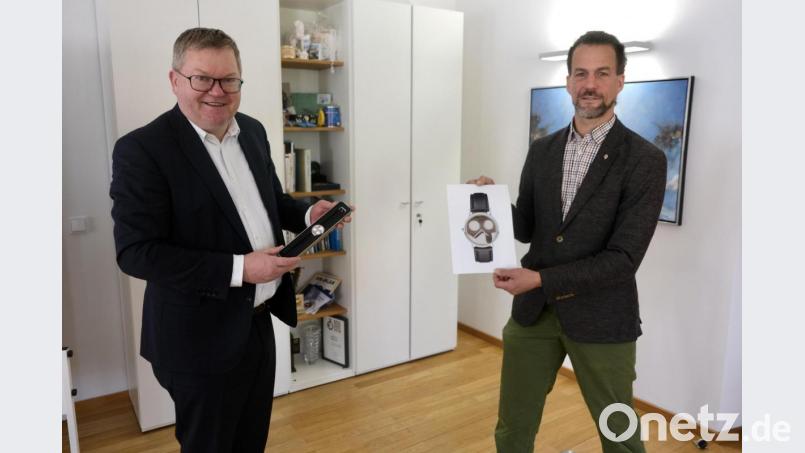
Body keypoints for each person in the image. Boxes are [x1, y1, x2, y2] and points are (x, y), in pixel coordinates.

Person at [110, 27, 351, 452]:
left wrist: (308, 212)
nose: (217, 92)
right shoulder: (143, 150)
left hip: (258, 326)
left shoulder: (253, 132)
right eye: (202, 78)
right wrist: (241, 268)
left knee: (249, 441)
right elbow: (136, 252)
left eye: (229, 80)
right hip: (195, 338)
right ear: (174, 80)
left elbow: (271, 201)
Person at [468, 31, 667, 453]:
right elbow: (526, 225)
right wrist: (488, 203)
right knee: (513, 426)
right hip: (532, 316)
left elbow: (623, 259)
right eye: (580, 73)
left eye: (601, 73)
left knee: (621, 436)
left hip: (602, 316)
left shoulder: (645, 160)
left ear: (619, 81)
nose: (589, 84)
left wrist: (539, 279)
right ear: (568, 79)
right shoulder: (542, 150)